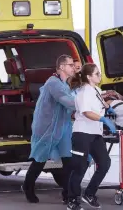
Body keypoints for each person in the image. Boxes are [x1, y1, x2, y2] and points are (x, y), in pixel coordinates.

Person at [23, 54, 77, 204]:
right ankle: (28, 187)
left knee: (68, 160)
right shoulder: (53, 84)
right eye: (71, 65)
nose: (74, 67)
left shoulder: (65, 84)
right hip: (47, 128)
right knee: (39, 160)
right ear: (61, 67)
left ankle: (68, 194)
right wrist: (86, 104)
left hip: (62, 127)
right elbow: (68, 102)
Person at [66, 63, 116, 210]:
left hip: (95, 134)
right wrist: (103, 119)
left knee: (105, 163)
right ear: (88, 77)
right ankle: (72, 200)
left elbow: (99, 104)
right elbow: (87, 112)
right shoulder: (83, 92)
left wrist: (108, 108)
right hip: (82, 133)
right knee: (80, 167)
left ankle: (89, 193)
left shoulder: (96, 90)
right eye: (97, 74)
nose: (100, 76)